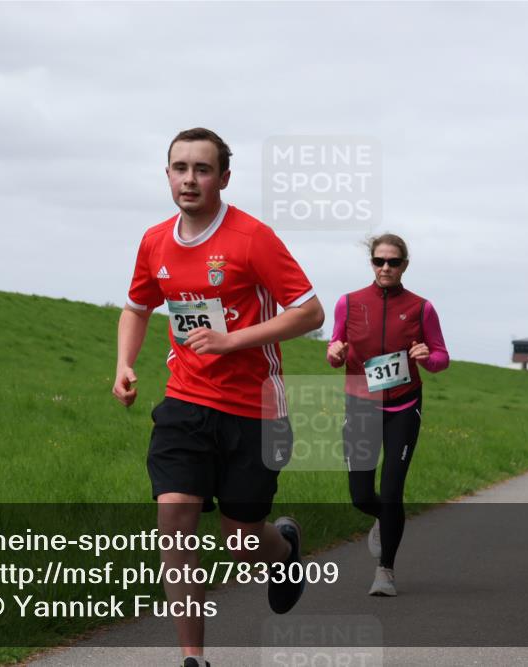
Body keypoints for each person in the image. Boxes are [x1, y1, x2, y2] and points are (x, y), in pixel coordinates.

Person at [113, 128, 324, 667]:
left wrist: (232, 339)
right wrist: (125, 365)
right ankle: (194, 659)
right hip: (184, 403)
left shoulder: (253, 238)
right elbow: (137, 307)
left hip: (254, 410)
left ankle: (283, 548)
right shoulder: (155, 241)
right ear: (167, 175)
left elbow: (309, 312)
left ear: (223, 178)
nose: (190, 179)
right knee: (175, 525)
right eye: (179, 167)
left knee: (242, 544)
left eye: (202, 169)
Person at [326, 233, 449, 596]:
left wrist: (428, 358)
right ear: (371, 263)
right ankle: (386, 519)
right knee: (362, 495)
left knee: (392, 491)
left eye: (393, 262)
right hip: (361, 405)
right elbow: (335, 354)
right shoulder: (348, 304)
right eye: (379, 261)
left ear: (404, 265)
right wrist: (335, 353)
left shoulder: (421, 308)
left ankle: (385, 571)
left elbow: (442, 358)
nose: (385, 268)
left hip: (403, 405)